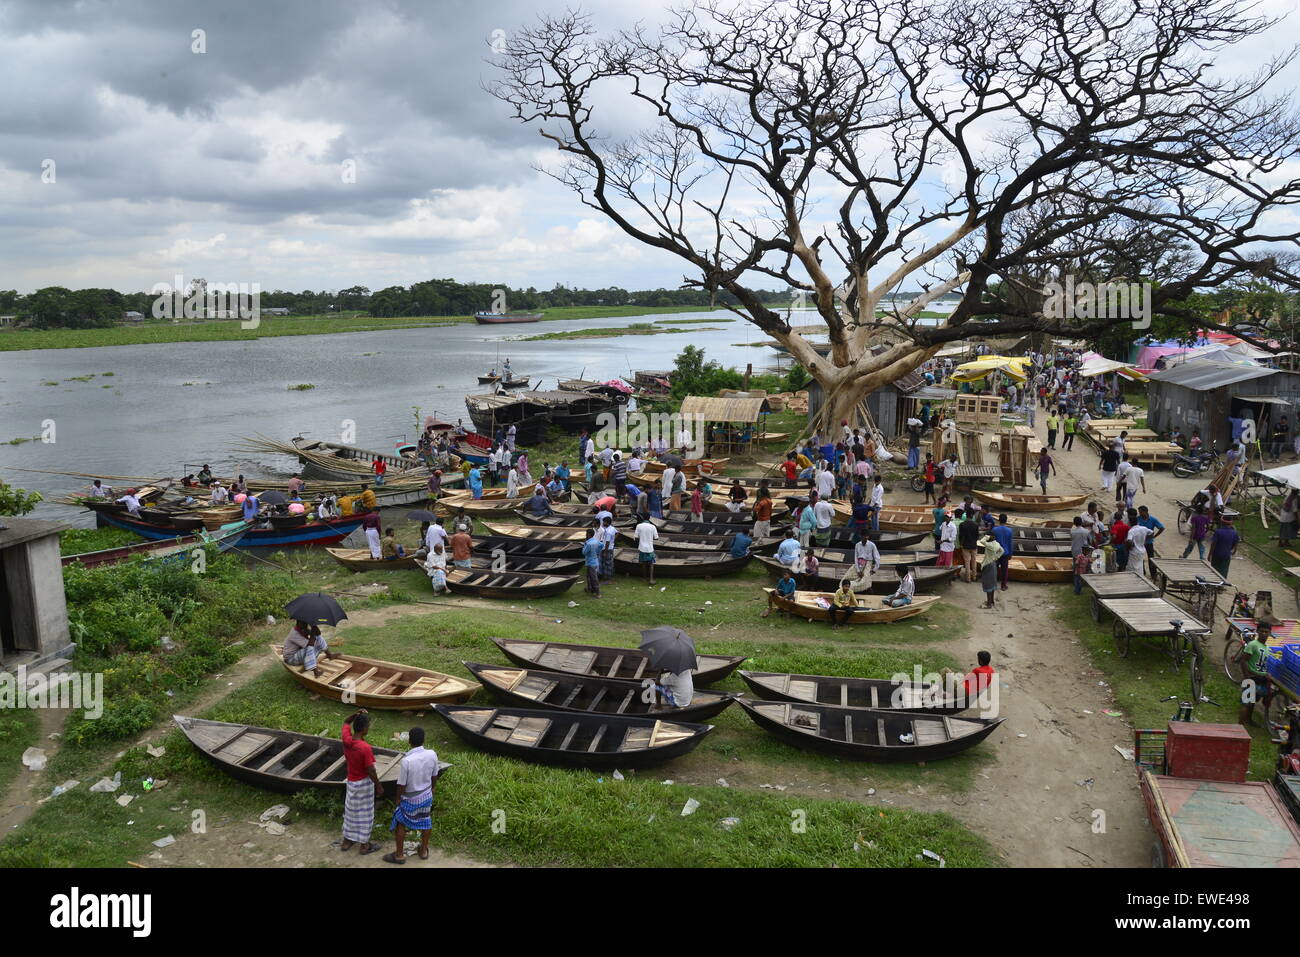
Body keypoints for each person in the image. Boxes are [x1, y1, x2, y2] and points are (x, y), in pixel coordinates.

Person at [386, 725, 443, 864]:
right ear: (424, 740)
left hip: (410, 798)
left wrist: (398, 798)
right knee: (426, 821)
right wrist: (433, 788)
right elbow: (435, 775)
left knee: (400, 822)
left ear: (409, 741)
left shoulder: (407, 761)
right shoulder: (432, 754)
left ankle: (399, 855)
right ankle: (423, 851)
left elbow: (401, 785)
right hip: (426, 795)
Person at [340, 710, 382, 855]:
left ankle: (347, 840)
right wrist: (378, 785)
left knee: (351, 811)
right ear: (364, 729)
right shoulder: (365, 748)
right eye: (368, 726)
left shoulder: (347, 739)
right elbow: (370, 769)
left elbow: (346, 722)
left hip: (351, 782)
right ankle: (364, 845)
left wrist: (354, 714)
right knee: (365, 814)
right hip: (364, 784)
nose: (368, 728)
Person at [1235, 622, 1274, 726]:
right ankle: (1240, 726)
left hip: (1260, 678)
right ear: (1257, 632)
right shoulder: (1252, 645)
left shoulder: (1267, 648)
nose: (1264, 634)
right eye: (1262, 631)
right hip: (1251, 677)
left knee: (1252, 702)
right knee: (1246, 703)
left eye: (1266, 632)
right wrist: (1247, 677)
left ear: (1270, 633)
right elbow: (1243, 661)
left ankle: (1249, 720)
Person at [1208, 514, 1239, 579]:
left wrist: (1210, 554)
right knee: (1224, 570)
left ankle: (1214, 582)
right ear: (1231, 523)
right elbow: (1236, 543)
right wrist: (1234, 551)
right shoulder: (1234, 533)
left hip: (1216, 554)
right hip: (1227, 554)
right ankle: (1221, 584)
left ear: (1221, 522)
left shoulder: (1218, 532)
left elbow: (1213, 544)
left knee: (1214, 569)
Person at [978, 534, 1004, 608]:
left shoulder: (990, 545)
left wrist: (986, 536)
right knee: (992, 584)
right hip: (993, 564)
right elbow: (1002, 551)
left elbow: (981, 541)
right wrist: (996, 557)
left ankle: (989, 604)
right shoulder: (997, 544)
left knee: (988, 584)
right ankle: (991, 601)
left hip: (988, 565)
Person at [1124, 509, 1150, 579]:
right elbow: (1151, 532)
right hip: (1141, 550)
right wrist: (1145, 540)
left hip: (1134, 551)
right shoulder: (1143, 528)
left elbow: (1129, 541)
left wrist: (1129, 547)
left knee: (1132, 566)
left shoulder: (1131, 531)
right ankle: (1140, 578)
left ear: (1130, 522)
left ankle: (1131, 579)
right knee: (1140, 566)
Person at [991, 514, 1014, 590]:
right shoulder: (1009, 530)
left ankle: (993, 584)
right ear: (1006, 520)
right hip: (1005, 552)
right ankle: (1003, 585)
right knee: (1004, 570)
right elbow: (1010, 543)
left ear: (999, 520)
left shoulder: (994, 530)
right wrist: (1010, 553)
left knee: (995, 569)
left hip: (996, 552)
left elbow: (992, 542)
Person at [634, 516, 659, 585]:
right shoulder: (653, 526)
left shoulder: (639, 526)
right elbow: (656, 538)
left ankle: (644, 577)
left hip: (642, 547)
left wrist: (641, 538)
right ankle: (651, 579)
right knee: (651, 564)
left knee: (643, 563)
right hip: (650, 548)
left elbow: (636, 538)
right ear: (649, 519)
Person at [957, 508, 980, 582]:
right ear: (972, 515)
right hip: (973, 545)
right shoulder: (976, 524)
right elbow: (977, 536)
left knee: (967, 562)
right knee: (974, 561)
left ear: (966, 515)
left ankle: (968, 578)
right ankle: (974, 577)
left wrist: (961, 544)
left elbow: (961, 536)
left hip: (965, 545)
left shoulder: (962, 524)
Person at [582, 527, 603, 597]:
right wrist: (597, 552)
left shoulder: (588, 544)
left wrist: (584, 545)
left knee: (593, 578)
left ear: (589, 534)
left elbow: (584, 552)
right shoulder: (596, 541)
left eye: (586, 534)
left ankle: (598, 593)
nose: (586, 535)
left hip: (590, 563)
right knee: (589, 576)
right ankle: (590, 588)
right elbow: (602, 545)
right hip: (595, 561)